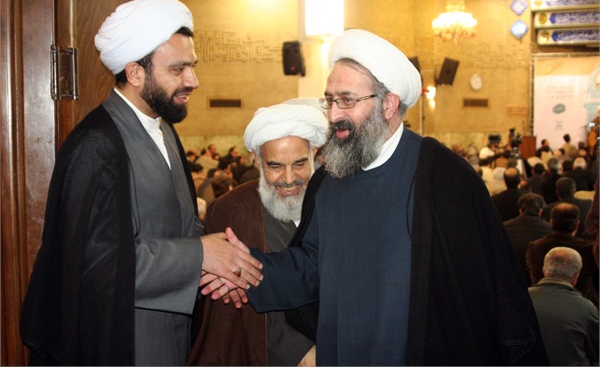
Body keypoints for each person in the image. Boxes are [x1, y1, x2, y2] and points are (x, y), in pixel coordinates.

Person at [201, 29, 548, 365]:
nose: (333, 114)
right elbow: (313, 263)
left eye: (347, 100)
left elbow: (476, 295)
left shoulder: (443, 177)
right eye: (330, 100)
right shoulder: (330, 177)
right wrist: (244, 268)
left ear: (389, 104)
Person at [19, 0, 262, 366]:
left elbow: (181, 227)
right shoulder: (95, 146)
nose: (193, 80)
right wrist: (201, 255)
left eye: (192, 67)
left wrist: (220, 269)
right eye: (178, 70)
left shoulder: (164, 131)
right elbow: (96, 266)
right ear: (135, 73)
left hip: (173, 340)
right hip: (122, 345)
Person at [187, 99, 328, 366]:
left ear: (315, 153)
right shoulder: (233, 209)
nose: (289, 179)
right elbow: (234, 302)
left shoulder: (332, 200)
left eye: (299, 164)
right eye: (275, 166)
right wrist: (299, 352)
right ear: (256, 159)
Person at [528, 247, 599, 366]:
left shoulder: (521, 298)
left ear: (544, 270)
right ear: (576, 277)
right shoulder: (586, 308)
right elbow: (596, 353)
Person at [527, 202, 599, 307]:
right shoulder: (588, 249)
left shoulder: (535, 247)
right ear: (577, 224)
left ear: (551, 222)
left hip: (540, 303)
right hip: (579, 306)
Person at [504, 193, 553, 286]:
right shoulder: (550, 229)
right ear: (540, 212)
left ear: (520, 211)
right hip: (538, 280)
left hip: (511, 277)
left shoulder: (505, 227)